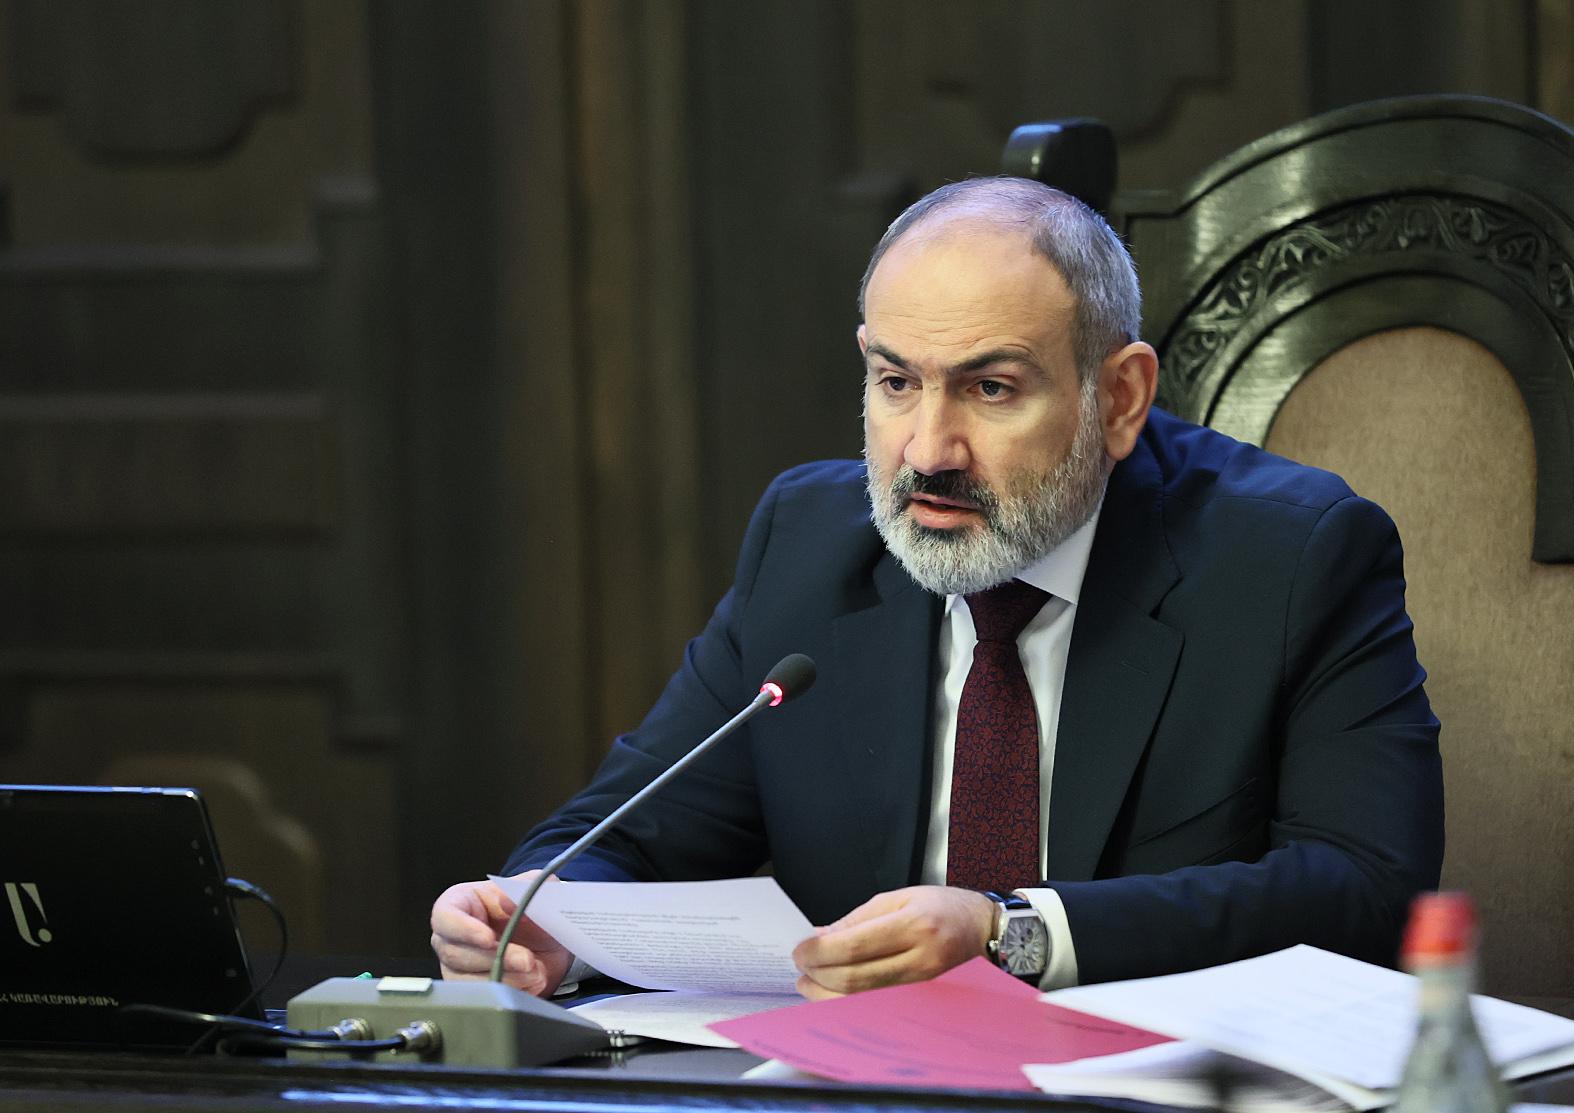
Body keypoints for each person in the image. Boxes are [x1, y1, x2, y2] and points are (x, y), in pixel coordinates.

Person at [430, 176, 1444, 1000]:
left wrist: (1010, 933)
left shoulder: (1291, 557)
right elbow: (626, 833)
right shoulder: (809, 544)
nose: (927, 451)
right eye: (896, 382)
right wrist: (538, 918)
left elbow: (1365, 887)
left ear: (1119, 397)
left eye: (989, 388)